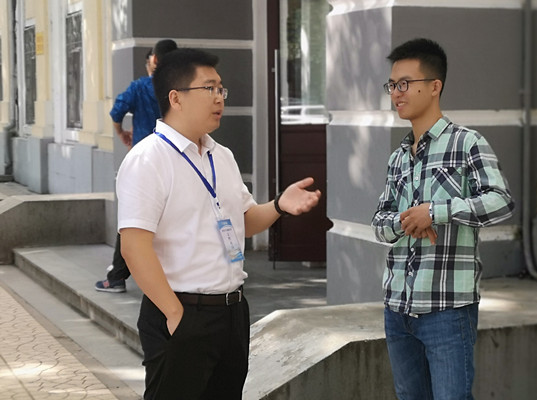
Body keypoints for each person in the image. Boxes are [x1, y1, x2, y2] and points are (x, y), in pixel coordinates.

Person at [117, 48, 321, 399]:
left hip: (231, 314)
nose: (219, 98)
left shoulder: (221, 155)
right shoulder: (148, 159)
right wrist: (175, 315)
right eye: (208, 88)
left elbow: (244, 222)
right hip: (182, 313)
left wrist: (278, 205)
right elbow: (134, 247)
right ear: (176, 98)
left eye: (221, 89)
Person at [371, 38, 514, 399]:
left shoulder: (468, 143)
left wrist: (436, 212)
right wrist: (407, 221)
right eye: (392, 85)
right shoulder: (398, 158)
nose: (396, 93)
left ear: (434, 86)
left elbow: (501, 202)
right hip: (398, 309)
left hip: (447, 310)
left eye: (405, 83)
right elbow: (379, 223)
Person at [95, 39, 178, 293]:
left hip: (146, 161)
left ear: (154, 60)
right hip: (176, 159)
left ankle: (117, 277)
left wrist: (121, 133)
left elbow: (116, 112)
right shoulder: (181, 87)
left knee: (133, 218)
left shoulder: (141, 87)